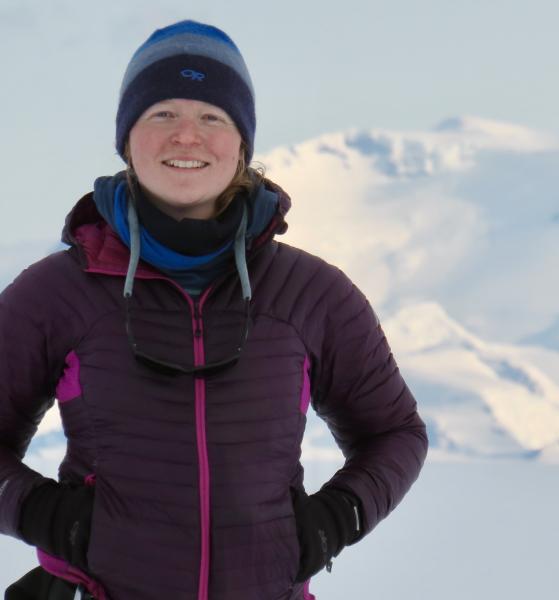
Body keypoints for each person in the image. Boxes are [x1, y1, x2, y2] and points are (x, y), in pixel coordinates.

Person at [0, 20, 427, 600]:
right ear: (127, 139)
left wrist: (336, 518)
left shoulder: (311, 293)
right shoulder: (58, 292)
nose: (186, 136)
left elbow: (394, 432)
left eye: (212, 117)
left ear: (242, 144)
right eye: (162, 114)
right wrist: (47, 517)